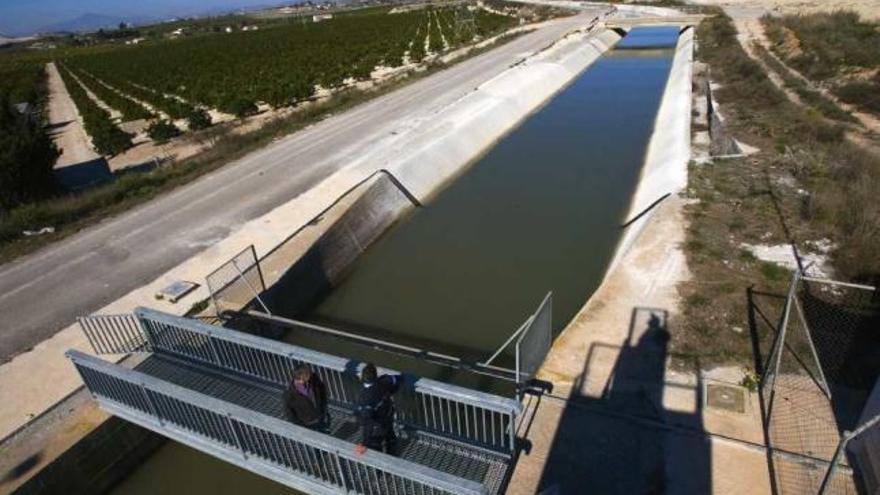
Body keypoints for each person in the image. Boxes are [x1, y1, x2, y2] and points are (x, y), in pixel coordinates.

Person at [353, 363, 401, 456]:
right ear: (375, 376)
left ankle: (381, 469)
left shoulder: (364, 397)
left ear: (362, 378)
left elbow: (367, 418)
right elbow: (397, 380)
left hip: (376, 427)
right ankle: (392, 458)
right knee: (391, 440)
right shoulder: (384, 382)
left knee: (375, 448)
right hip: (388, 417)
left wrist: (365, 443)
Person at [283, 364, 328, 430]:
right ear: (301, 377)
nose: (310, 375)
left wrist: (324, 408)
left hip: (320, 416)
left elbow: (322, 391)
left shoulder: (314, 379)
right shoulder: (289, 393)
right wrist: (300, 425)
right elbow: (288, 412)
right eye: (307, 374)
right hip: (306, 423)